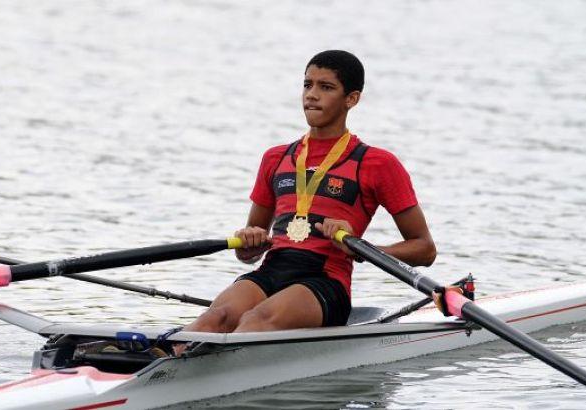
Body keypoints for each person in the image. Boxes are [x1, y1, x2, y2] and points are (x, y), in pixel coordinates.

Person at [174, 50, 438, 354]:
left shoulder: (377, 163)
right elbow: (249, 251)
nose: (311, 95)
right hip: (272, 270)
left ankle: (198, 372)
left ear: (351, 99)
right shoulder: (276, 158)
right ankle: (153, 364)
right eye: (307, 84)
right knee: (216, 317)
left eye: (325, 87)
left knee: (255, 319)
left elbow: (425, 249)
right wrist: (249, 242)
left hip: (326, 281)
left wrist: (361, 250)